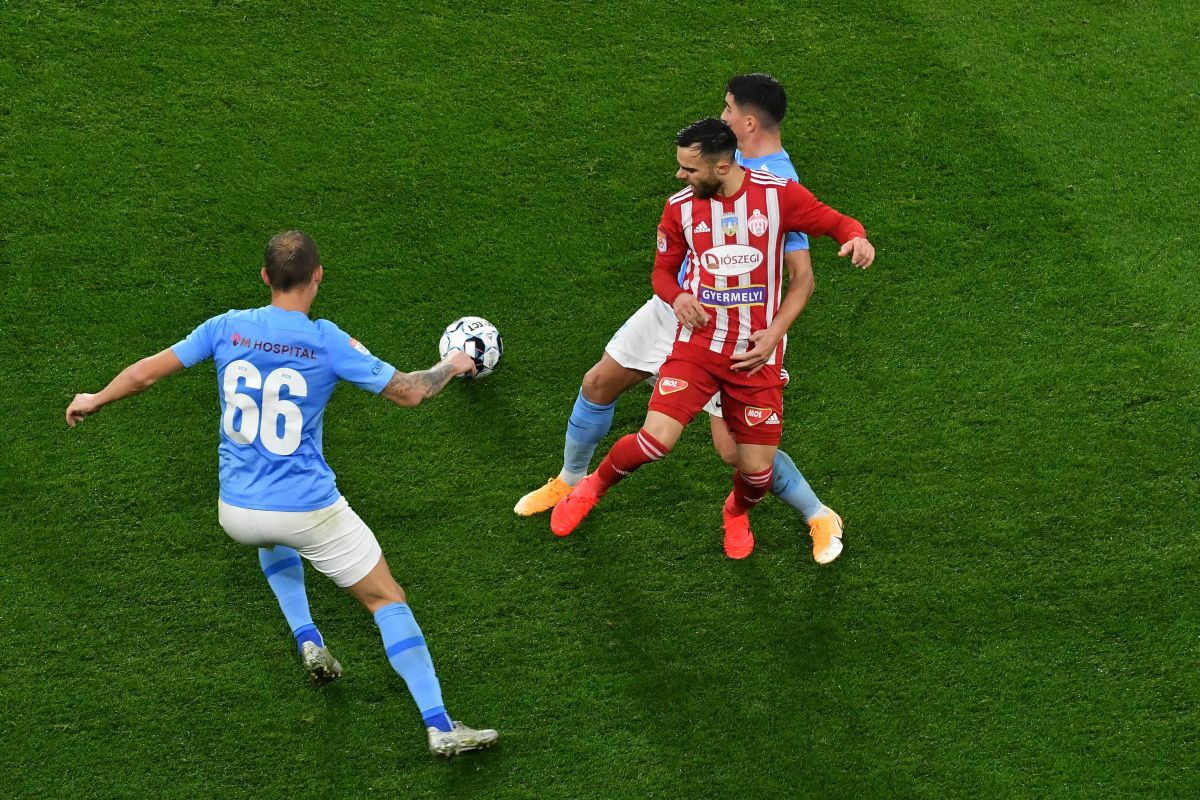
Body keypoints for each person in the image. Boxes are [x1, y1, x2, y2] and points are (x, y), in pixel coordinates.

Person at [65, 231, 498, 758]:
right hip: (307, 509)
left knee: (273, 534)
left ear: (266, 278)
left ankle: (307, 637)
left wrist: (96, 397)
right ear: (318, 276)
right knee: (387, 599)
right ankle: (439, 724)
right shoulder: (327, 340)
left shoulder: (227, 327)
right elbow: (409, 392)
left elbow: (144, 375)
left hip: (238, 511)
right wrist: (455, 363)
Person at [516, 73, 855, 562]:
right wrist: (676, 296)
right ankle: (571, 483)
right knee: (598, 384)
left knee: (736, 455)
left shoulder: (781, 187)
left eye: (728, 109)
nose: (722, 116)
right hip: (682, 305)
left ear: (747, 126)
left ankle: (816, 513)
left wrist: (773, 333)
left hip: (740, 328)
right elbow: (665, 263)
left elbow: (800, 276)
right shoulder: (702, 172)